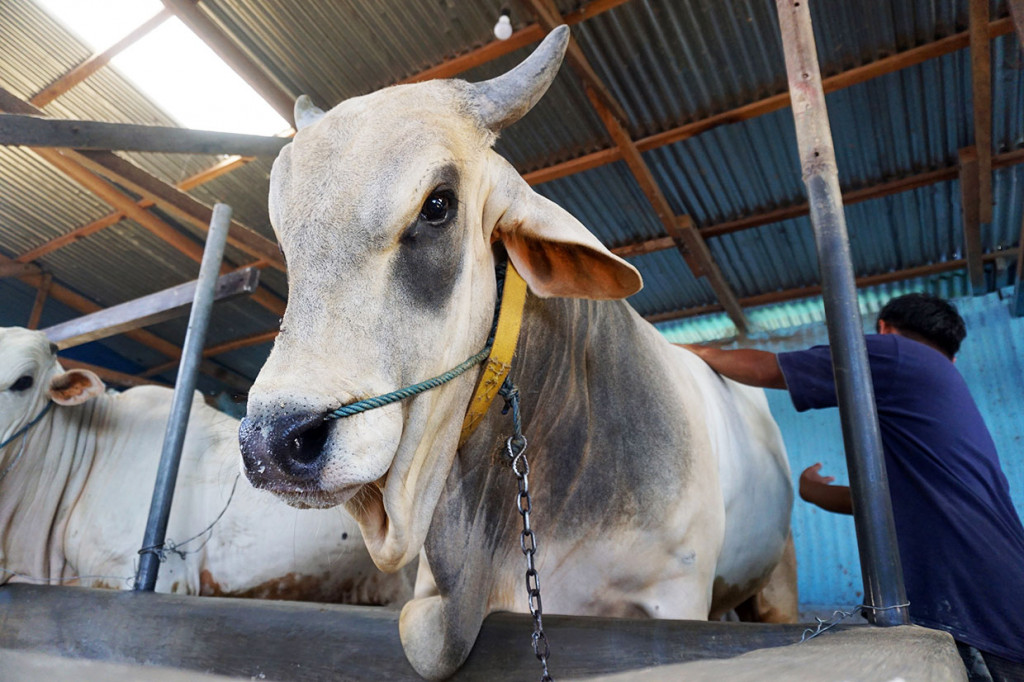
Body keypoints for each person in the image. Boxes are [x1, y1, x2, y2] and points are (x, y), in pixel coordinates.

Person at [686, 293, 1024, 681]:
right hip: (997, 586)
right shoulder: (942, 384)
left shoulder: (896, 353)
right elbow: (902, 502)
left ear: (885, 329)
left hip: (969, 591)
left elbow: (770, 368)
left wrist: (689, 353)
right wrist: (815, 491)